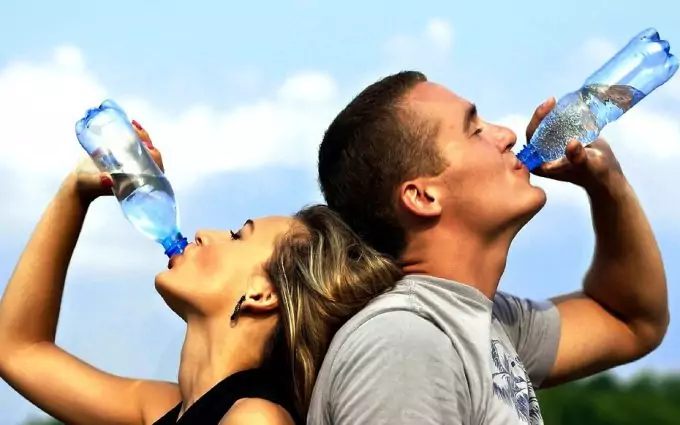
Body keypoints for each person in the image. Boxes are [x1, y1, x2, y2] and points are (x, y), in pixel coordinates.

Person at [308, 71, 669, 424]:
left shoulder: (482, 322)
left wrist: (607, 183)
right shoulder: (405, 345)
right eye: (475, 130)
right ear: (422, 196)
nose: (508, 135)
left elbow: (631, 321)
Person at [0, 122, 401, 425]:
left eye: (237, 236)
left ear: (263, 293)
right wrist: (76, 191)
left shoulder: (255, 418)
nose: (203, 234)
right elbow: (16, 349)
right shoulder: (164, 410)